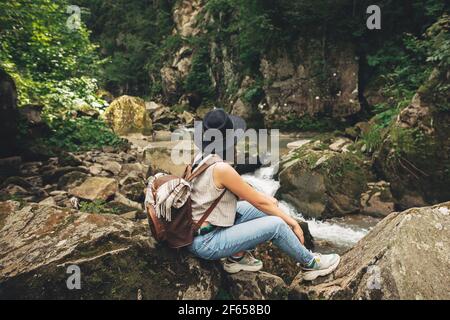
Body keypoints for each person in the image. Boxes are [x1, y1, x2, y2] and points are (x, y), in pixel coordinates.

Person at [188, 108, 340, 281]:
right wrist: (292, 223)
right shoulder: (222, 169)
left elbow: (245, 195)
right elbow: (258, 201)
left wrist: (268, 201)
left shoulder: (202, 157)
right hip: (207, 242)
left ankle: (236, 257)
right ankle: (310, 263)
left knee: (269, 207)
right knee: (275, 224)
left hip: (201, 229)